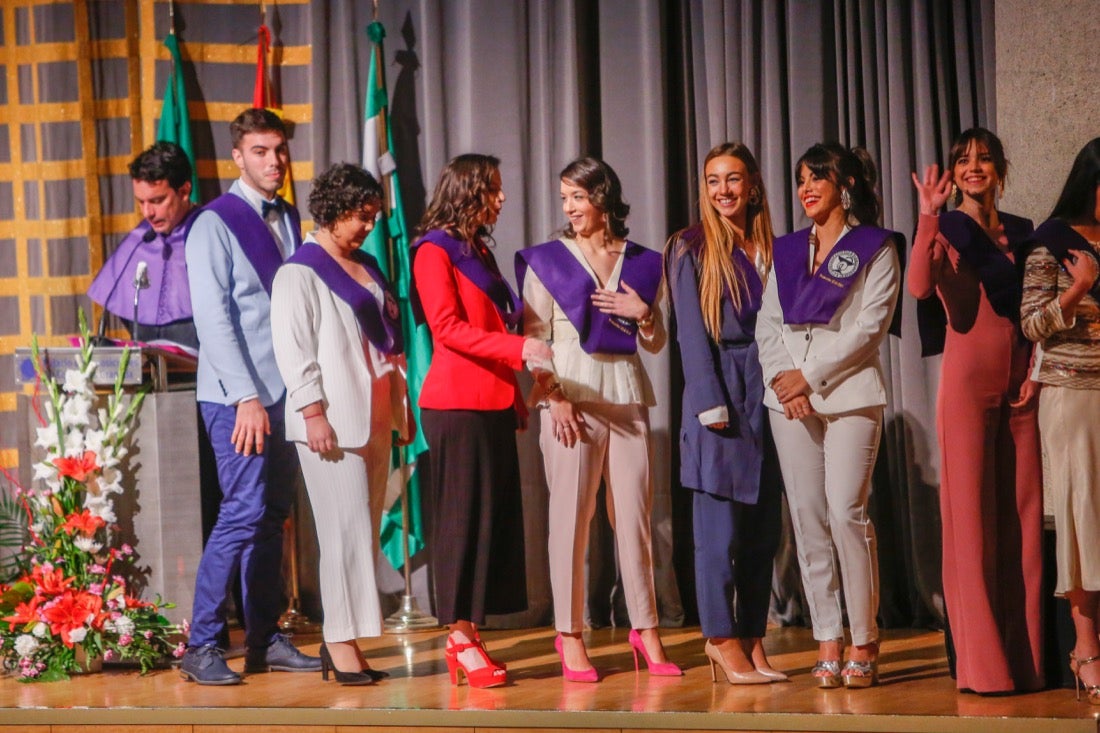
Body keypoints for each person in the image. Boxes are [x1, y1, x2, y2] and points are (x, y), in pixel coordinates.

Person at [517, 156, 678, 682]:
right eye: (564, 198)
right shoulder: (549, 260)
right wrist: (552, 394)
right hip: (570, 399)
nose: (569, 208)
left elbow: (654, 342)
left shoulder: (641, 261)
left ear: (603, 197)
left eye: (578, 197)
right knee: (570, 519)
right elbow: (534, 340)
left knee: (634, 517)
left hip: (626, 396)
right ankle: (570, 634)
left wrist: (645, 315)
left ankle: (646, 629)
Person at [180, 108, 319, 685]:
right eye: (260, 151)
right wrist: (245, 397)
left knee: (274, 518)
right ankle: (203, 645)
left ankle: (266, 637)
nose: (273, 161)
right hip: (238, 398)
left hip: (284, 391)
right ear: (238, 156)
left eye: (279, 150)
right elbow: (213, 320)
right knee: (239, 515)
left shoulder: (288, 214)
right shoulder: (215, 222)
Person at [756, 142, 901, 689]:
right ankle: (827, 637)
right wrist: (783, 381)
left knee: (846, 513)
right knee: (809, 521)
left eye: (817, 177)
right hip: (788, 401)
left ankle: (864, 637)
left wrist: (809, 378)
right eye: (800, 179)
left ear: (845, 185)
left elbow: (870, 328)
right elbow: (768, 324)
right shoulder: (789, 249)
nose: (806, 188)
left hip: (850, 396)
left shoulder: (876, 247)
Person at [908, 128, 1043, 694]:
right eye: (964, 160)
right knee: (969, 525)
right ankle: (984, 669)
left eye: (984, 159)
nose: (973, 167)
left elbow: (1034, 307)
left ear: (1000, 170)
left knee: (1022, 522)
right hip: (966, 387)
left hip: (1021, 387)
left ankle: (1028, 661)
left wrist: (1035, 373)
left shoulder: (1022, 232)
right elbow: (918, 288)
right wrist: (928, 218)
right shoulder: (949, 228)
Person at [411, 153, 552, 689]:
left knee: (490, 522)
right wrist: (523, 349)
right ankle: (459, 637)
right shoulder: (433, 250)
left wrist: (514, 397)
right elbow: (446, 328)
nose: (501, 198)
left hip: (491, 401)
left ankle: (469, 631)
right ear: (467, 190)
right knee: (462, 522)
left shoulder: (477, 251)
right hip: (454, 404)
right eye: (492, 188)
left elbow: (491, 320)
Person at [271, 163, 412, 685]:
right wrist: (312, 413)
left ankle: (347, 640)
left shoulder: (368, 265)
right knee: (342, 535)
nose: (369, 226)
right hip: (329, 420)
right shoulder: (299, 272)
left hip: (374, 412)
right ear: (332, 211)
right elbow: (294, 352)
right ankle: (338, 643)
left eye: (374, 216)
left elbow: (389, 346)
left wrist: (402, 405)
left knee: (362, 534)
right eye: (361, 215)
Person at [664, 143, 783, 685]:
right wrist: (710, 402)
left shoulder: (773, 247)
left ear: (753, 184)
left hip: (771, 393)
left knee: (763, 531)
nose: (723, 191)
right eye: (713, 181)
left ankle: (754, 636)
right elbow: (690, 333)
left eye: (733, 179)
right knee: (719, 533)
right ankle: (719, 637)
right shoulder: (690, 247)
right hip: (721, 393)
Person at [1020, 137, 1100, 704]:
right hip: (1073, 395)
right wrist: (1077, 290)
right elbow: (1030, 324)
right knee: (1082, 516)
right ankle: (1086, 647)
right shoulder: (1051, 242)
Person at [88, 141, 200, 348]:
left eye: (157, 201)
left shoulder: (210, 235)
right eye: (141, 202)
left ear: (184, 191)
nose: (147, 212)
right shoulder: (139, 240)